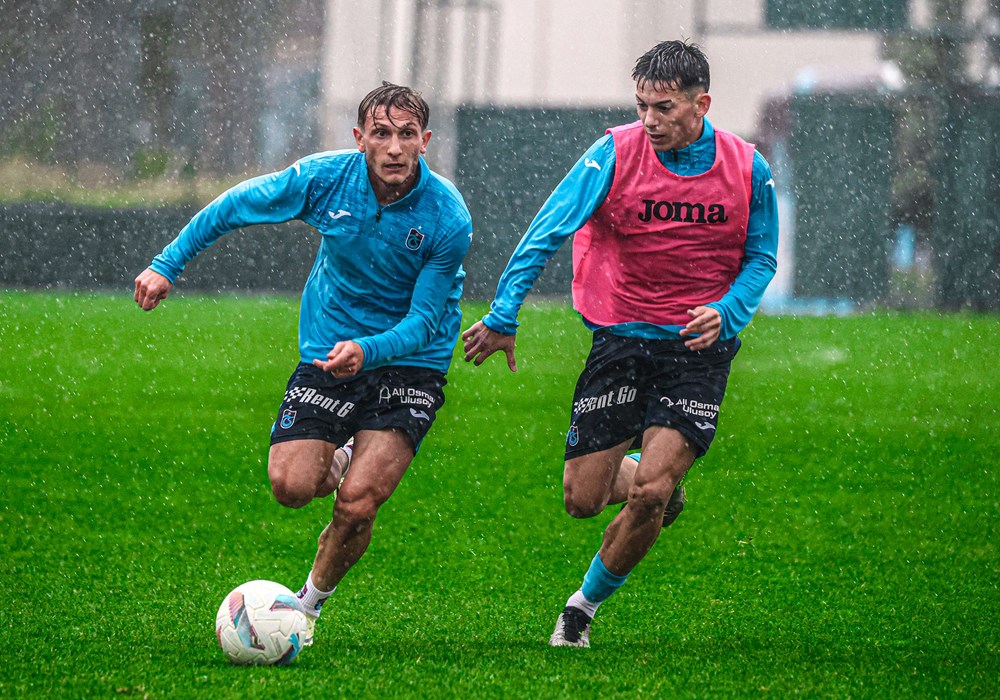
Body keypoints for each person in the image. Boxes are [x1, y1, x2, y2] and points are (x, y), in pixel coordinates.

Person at [462, 40, 778, 647]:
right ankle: (645, 481)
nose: (649, 121)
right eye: (641, 107)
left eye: (662, 108)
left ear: (701, 103)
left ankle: (582, 608)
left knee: (651, 495)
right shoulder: (612, 153)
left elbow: (761, 256)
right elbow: (546, 230)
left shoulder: (747, 167)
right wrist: (504, 313)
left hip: (697, 350)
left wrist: (728, 311)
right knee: (582, 499)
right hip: (621, 340)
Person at [134, 82, 474, 646]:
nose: (394, 148)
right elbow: (234, 206)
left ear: (426, 140)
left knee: (359, 503)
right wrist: (167, 264)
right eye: (382, 134)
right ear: (359, 137)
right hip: (328, 349)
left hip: (412, 362)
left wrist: (369, 350)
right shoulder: (323, 178)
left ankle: (307, 609)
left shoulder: (447, 217)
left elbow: (420, 322)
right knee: (291, 487)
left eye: (407, 135)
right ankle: (340, 455)